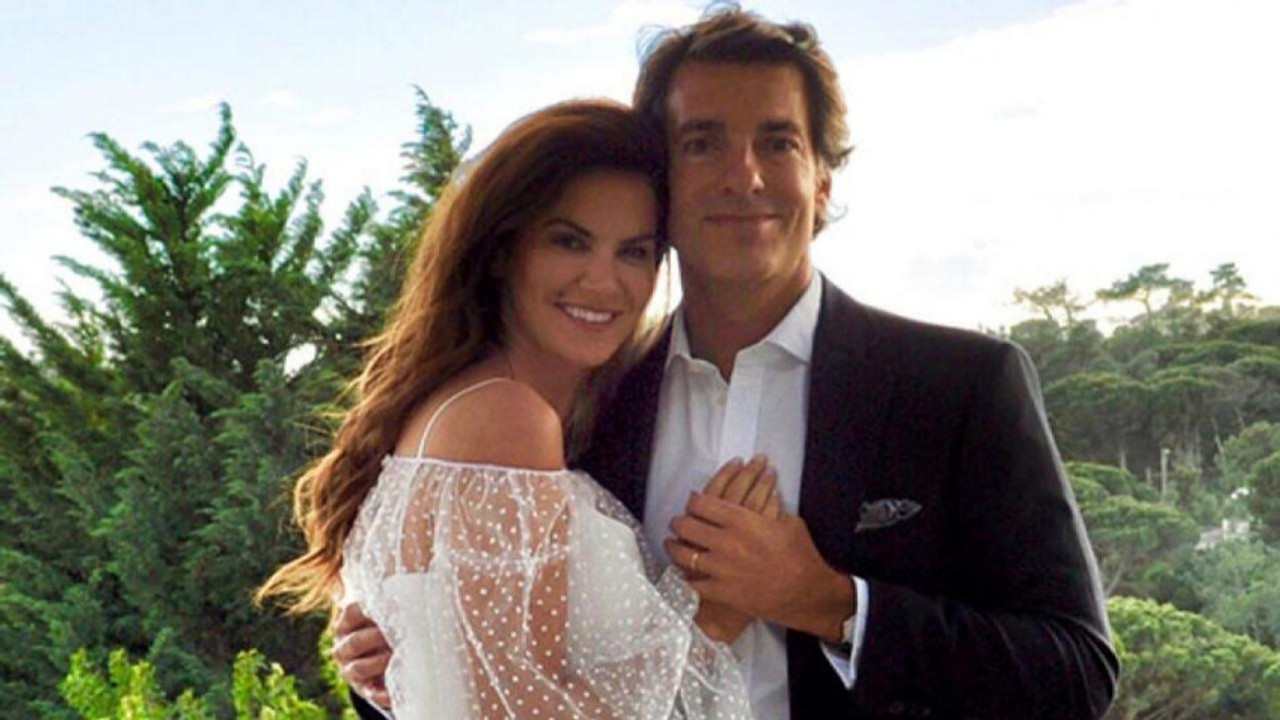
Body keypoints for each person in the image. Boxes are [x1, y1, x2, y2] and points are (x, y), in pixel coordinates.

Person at [338, 6, 1120, 719]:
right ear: (664, 182)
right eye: (703, 142)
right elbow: (500, 682)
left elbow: (1076, 675)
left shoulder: (960, 387)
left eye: (777, 142)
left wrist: (830, 603)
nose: (743, 175)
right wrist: (399, 659)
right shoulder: (586, 400)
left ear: (821, 182)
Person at [258, 99, 772, 719]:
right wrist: (711, 621)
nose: (603, 281)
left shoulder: (517, 411)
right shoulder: (505, 419)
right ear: (503, 250)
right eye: (569, 242)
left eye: (633, 252)